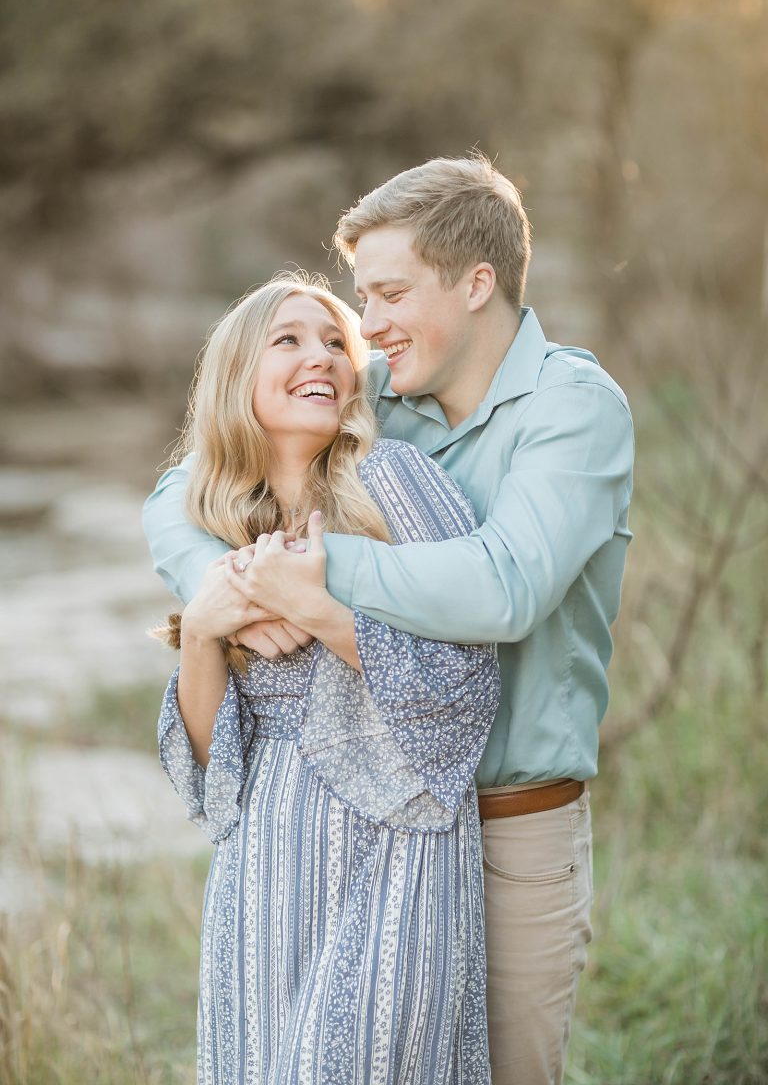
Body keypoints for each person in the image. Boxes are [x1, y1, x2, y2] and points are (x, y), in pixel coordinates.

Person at [144, 155, 635, 1085]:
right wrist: (229, 591)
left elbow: (505, 588)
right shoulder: (385, 400)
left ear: (476, 281)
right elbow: (189, 485)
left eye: (389, 293)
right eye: (360, 297)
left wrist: (309, 576)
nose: (363, 328)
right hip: (351, 829)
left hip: (509, 821)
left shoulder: (573, 409)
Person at [152, 273, 500, 1085]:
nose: (325, 358)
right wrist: (203, 630)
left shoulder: (399, 482)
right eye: (289, 340)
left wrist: (310, 609)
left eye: (337, 342)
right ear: (237, 373)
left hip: (399, 853)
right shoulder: (220, 521)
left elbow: (465, 692)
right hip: (264, 866)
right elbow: (210, 765)